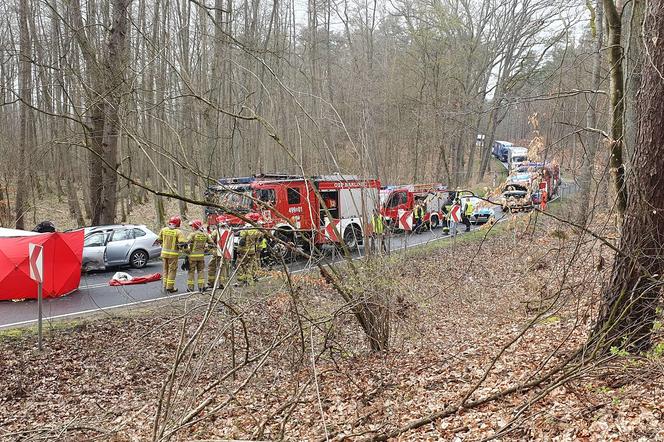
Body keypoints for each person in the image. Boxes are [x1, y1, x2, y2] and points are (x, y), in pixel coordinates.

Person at [157, 215, 186, 293]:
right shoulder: (178, 232)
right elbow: (181, 243)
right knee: (172, 271)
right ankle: (170, 287)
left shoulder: (163, 230)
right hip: (172, 255)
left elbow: (159, 240)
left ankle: (164, 286)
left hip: (164, 254)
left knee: (165, 270)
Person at [186, 219, 213, 291]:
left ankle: (190, 288)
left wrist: (187, 251)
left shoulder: (192, 234)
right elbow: (212, 243)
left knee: (191, 272)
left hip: (192, 257)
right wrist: (207, 250)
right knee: (201, 271)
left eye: (192, 226)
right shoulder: (205, 234)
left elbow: (185, 243)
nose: (192, 227)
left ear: (194, 226)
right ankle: (201, 287)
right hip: (201, 256)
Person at [236, 213, 262, 286]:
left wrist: (238, 251)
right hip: (252, 250)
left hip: (244, 251)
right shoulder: (257, 229)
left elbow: (242, 241)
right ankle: (251, 281)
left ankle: (243, 281)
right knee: (250, 265)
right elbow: (259, 239)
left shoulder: (246, 229)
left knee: (240, 265)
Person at [208, 215, 234, 288]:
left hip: (217, 253)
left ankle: (211, 283)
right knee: (224, 268)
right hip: (226, 253)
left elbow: (211, 241)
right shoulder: (229, 231)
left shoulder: (216, 232)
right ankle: (222, 283)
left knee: (212, 266)